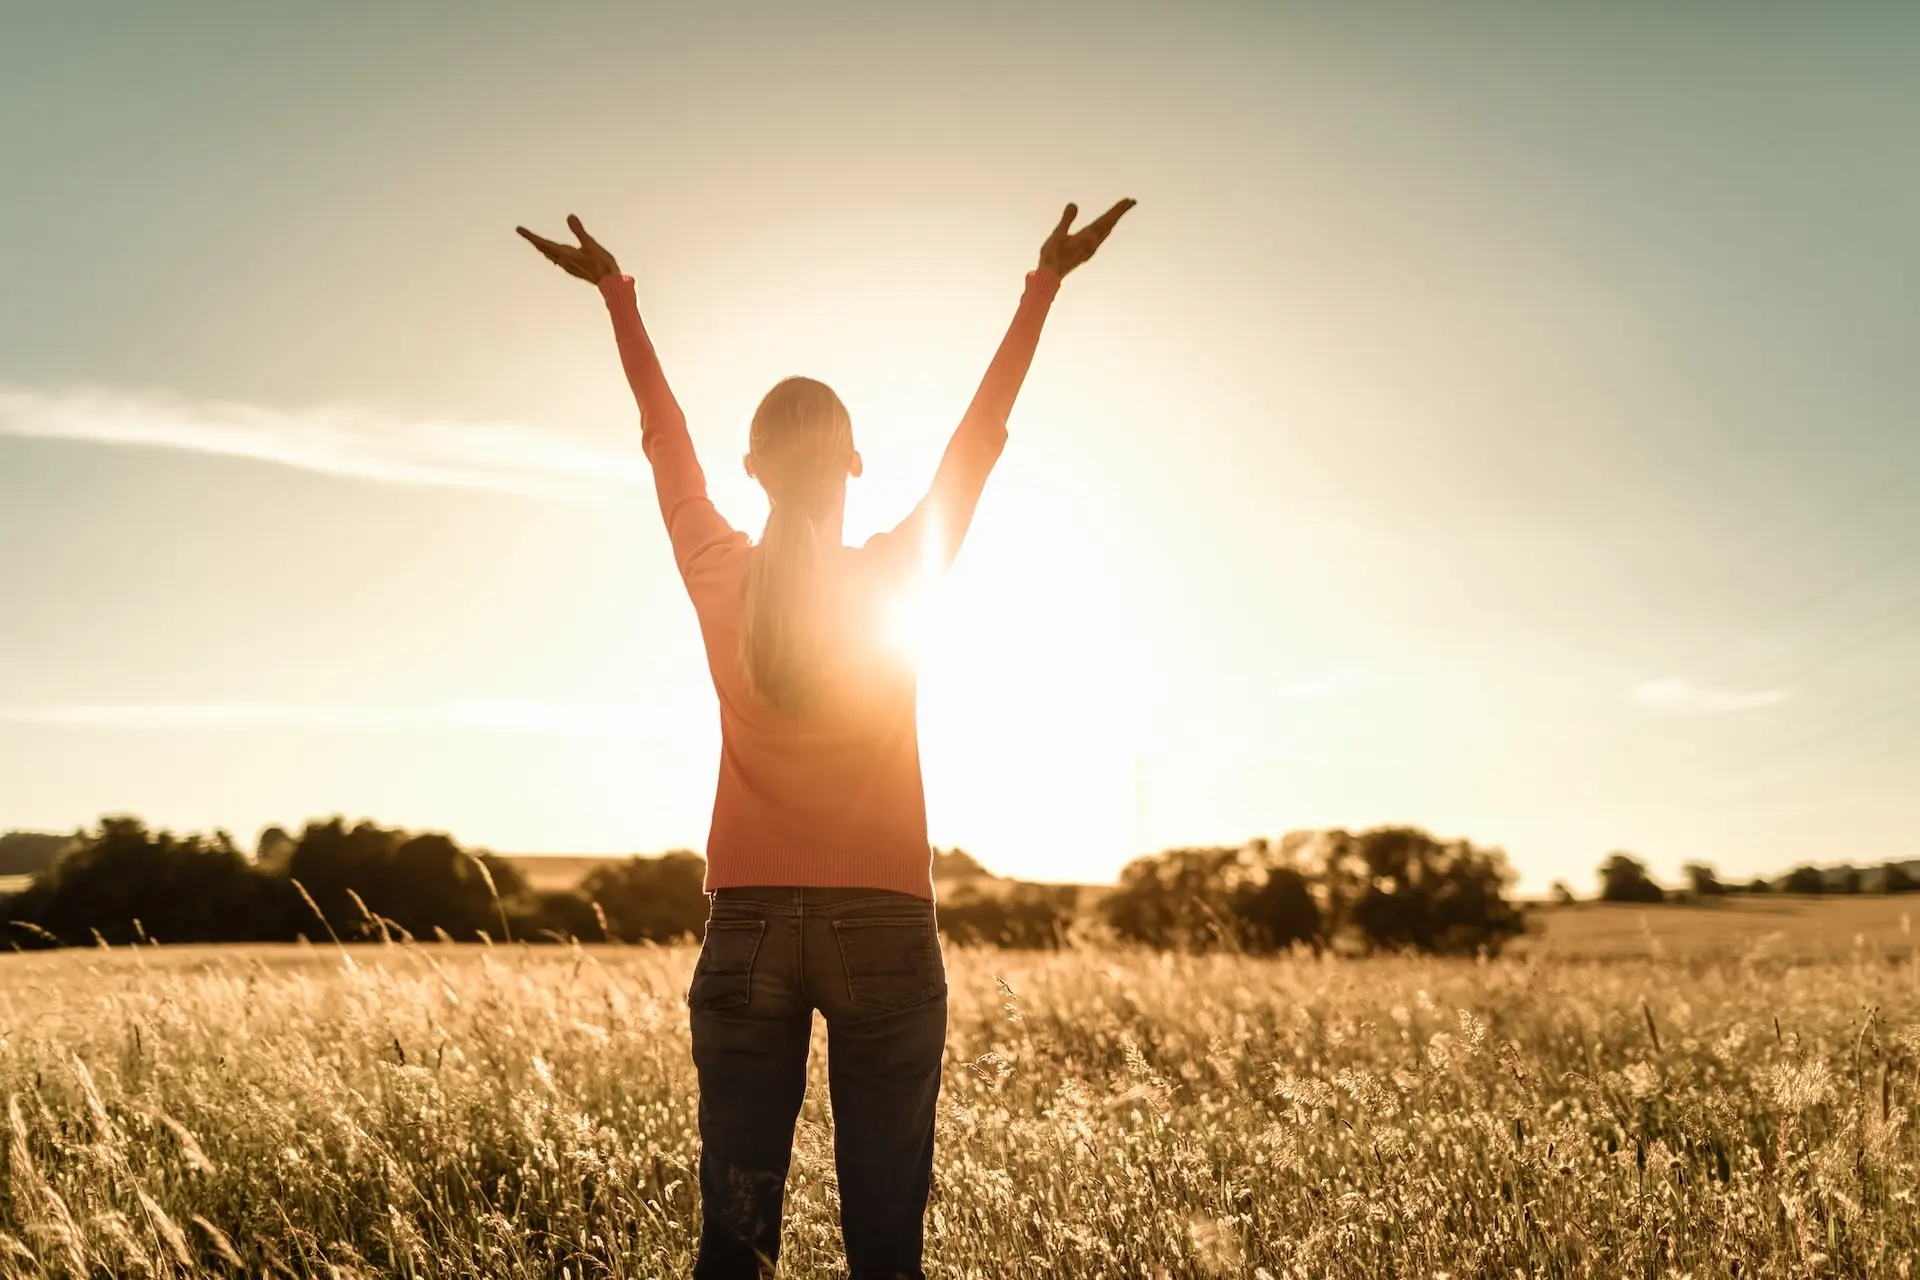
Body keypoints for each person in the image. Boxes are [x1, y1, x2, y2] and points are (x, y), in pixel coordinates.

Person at [517, 197, 1134, 1279]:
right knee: (887, 1246)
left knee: (736, 1243)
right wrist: (1043, 286)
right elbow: (975, 445)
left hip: (746, 930)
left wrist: (619, 295)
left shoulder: (716, 567)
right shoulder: (898, 573)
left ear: (752, 468)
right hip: (887, 927)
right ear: (853, 463)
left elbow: (663, 441)